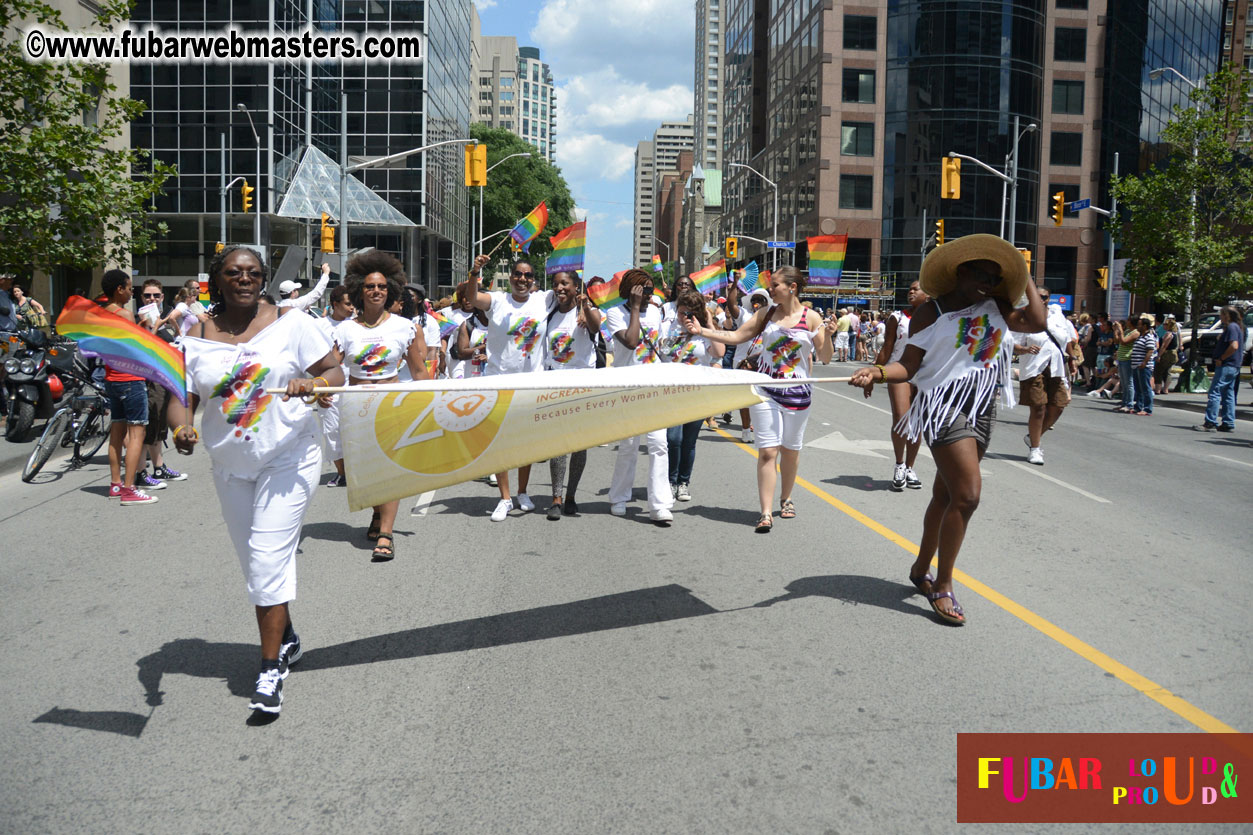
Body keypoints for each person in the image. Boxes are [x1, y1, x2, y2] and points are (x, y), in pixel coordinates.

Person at [169, 244, 344, 715]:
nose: (243, 279)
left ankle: (270, 670)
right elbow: (180, 394)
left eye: (251, 272)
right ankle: (285, 635)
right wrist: (180, 425)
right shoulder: (195, 333)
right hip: (230, 464)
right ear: (217, 280)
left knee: (268, 557)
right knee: (255, 564)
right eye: (232, 273)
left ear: (262, 278)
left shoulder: (293, 323)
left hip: (288, 457)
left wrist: (315, 385)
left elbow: (333, 370)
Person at [849, 234, 1045, 625]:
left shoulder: (999, 305)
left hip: (983, 405)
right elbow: (909, 366)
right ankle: (943, 584)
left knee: (945, 494)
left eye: (995, 275)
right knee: (968, 496)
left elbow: (1037, 321)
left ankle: (920, 568)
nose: (987, 282)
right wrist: (879, 371)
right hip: (944, 406)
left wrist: (1022, 276)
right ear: (960, 271)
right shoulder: (931, 311)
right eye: (981, 273)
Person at [686, 266, 836, 532]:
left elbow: (825, 357)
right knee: (768, 451)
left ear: (792, 287)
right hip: (766, 390)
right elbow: (735, 336)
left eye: (775, 285)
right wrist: (703, 331)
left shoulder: (811, 318)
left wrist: (828, 334)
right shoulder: (765, 315)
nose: (770, 289)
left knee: (791, 450)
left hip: (799, 394)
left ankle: (786, 497)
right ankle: (766, 512)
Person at [337, 250, 431, 558]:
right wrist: (322, 389)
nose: (376, 291)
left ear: (389, 289)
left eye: (381, 286)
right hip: (355, 409)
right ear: (358, 291)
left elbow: (418, 370)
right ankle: (378, 512)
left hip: (392, 406)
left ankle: (387, 533)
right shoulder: (344, 330)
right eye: (369, 287)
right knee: (365, 471)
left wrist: (432, 403)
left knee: (388, 468)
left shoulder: (404, 327)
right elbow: (333, 369)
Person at [463, 253, 553, 521]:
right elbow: (472, 297)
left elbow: (567, 293)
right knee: (500, 440)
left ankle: (522, 492)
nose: (522, 279)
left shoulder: (543, 300)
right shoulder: (498, 300)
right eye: (517, 274)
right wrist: (474, 272)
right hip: (498, 380)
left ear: (533, 280)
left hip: (530, 382)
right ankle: (504, 497)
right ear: (510, 277)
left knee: (525, 441)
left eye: (527, 275)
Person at [601, 268, 675, 524]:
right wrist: (634, 309)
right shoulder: (614, 314)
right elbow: (631, 342)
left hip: (654, 388)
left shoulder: (655, 311)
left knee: (658, 445)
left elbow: (661, 346)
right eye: (642, 289)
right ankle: (619, 497)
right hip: (627, 389)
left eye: (650, 289)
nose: (647, 295)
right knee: (629, 446)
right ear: (630, 289)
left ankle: (660, 504)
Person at [543, 270, 602, 519]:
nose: (560, 288)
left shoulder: (587, 312)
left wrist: (585, 307)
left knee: (579, 446)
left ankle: (571, 497)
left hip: (582, 387)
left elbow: (596, 325)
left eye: (565, 284)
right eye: (556, 284)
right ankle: (556, 498)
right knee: (558, 442)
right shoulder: (550, 314)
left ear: (576, 287)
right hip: (555, 385)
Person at [98, 270, 159, 505]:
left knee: (116, 433)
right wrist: (150, 331)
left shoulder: (102, 314)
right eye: (128, 287)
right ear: (118, 290)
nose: (131, 291)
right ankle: (129, 488)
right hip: (130, 379)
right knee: (137, 434)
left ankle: (115, 484)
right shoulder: (124, 313)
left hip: (111, 378)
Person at [662, 288, 726, 503]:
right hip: (671, 393)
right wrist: (677, 332)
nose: (685, 317)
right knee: (673, 439)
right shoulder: (669, 327)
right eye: (682, 312)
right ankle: (670, 481)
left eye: (690, 313)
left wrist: (706, 324)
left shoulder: (705, 331)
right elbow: (662, 352)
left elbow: (719, 353)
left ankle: (683, 482)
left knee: (689, 442)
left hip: (697, 395)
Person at [875, 281, 929, 490]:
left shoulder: (937, 318)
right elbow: (887, 349)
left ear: (929, 293)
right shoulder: (897, 318)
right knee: (901, 418)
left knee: (916, 423)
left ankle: (909, 467)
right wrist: (875, 374)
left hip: (924, 375)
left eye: (917, 289)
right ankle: (899, 464)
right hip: (899, 371)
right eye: (910, 289)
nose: (912, 292)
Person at [1012, 288, 1075, 465]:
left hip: (1056, 367)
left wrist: (1073, 360)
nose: (1041, 300)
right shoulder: (1023, 317)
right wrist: (1023, 349)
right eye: (1037, 297)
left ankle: (1034, 436)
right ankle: (1035, 449)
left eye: (1044, 297)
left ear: (1049, 299)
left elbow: (1067, 339)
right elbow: (1011, 342)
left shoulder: (1057, 315)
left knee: (1059, 406)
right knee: (1038, 407)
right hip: (1034, 367)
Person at [317, 284, 355, 487]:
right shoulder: (319, 325)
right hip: (329, 384)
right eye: (348, 304)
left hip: (354, 383)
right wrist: (322, 388)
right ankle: (342, 473)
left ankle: (359, 472)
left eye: (353, 304)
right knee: (332, 431)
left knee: (353, 430)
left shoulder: (356, 325)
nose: (351, 308)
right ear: (334, 304)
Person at [1194, 305, 1244, 433]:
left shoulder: (1232, 327)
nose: (1220, 317)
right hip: (1233, 365)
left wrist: (1222, 358)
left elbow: (1234, 346)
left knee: (1215, 392)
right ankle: (1228, 422)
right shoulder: (1236, 327)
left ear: (1227, 315)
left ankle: (1210, 422)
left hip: (1226, 364)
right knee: (1228, 394)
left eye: (1221, 314)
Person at [1131, 314, 1158, 416]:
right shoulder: (1140, 337)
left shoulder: (1149, 337)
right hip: (1136, 366)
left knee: (1146, 388)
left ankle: (1147, 409)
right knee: (1138, 388)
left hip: (1144, 367)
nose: (1137, 327)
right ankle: (1138, 406)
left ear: (1145, 326)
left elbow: (1150, 350)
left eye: (1139, 325)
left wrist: (1144, 362)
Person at [1112, 316, 1140, 413]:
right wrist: (1116, 330)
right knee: (1123, 383)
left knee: (1129, 383)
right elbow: (1117, 341)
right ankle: (1124, 403)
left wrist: (1120, 329)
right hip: (1121, 358)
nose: (1126, 322)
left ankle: (1129, 404)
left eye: (1128, 320)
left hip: (1128, 359)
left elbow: (1124, 341)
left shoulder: (1135, 332)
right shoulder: (1127, 330)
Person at [1154, 317, 1180, 395]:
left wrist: (1159, 356)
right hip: (1172, 354)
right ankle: (1165, 389)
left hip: (1166, 354)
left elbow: (1164, 346)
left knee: (1159, 370)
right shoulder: (1175, 333)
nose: (1164, 325)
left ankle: (1158, 389)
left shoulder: (1169, 334)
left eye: (1165, 324)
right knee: (1167, 371)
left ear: (1169, 325)